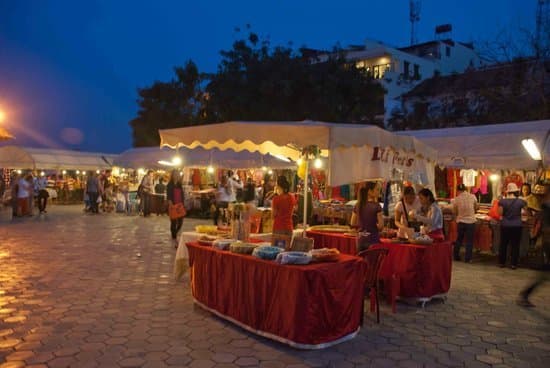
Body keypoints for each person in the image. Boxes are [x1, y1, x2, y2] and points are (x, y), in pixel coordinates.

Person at [517, 184, 550, 307]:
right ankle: (525, 294)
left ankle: (525, 294)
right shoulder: (547, 208)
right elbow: (545, 228)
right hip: (548, 243)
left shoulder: (545, 208)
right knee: (543, 274)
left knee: (544, 274)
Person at [498, 182, 527, 269]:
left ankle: (502, 263)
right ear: (515, 191)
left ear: (508, 191)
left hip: (505, 225)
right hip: (517, 225)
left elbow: (500, 213)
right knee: (515, 245)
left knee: (503, 244)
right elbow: (526, 212)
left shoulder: (502, 201)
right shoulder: (521, 202)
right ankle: (513, 264)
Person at [452, 184, 479, 262]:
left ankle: (456, 256)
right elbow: (476, 207)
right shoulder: (473, 196)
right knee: (469, 241)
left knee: (459, 239)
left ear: (458, 190)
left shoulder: (456, 199)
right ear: (465, 189)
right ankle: (468, 258)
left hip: (461, 221)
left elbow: (454, 211)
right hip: (471, 221)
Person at [354, 182, 383, 252]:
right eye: (377, 190)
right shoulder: (377, 206)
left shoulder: (358, 204)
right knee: (372, 262)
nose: (379, 192)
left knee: (362, 261)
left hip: (360, 240)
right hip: (373, 239)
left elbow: (352, 223)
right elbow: (381, 226)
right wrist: (374, 225)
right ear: (369, 191)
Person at [271, 176, 296, 242]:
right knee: (286, 250)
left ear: (278, 186)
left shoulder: (276, 199)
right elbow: (293, 210)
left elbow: (273, 215)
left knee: (277, 250)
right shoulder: (292, 197)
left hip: (278, 227)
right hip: (289, 226)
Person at [167, 169, 185, 248]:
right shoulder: (170, 184)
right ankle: (173, 235)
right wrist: (170, 202)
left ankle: (176, 232)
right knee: (173, 221)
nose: (176, 175)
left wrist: (183, 203)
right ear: (172, 175)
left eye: (177, 174)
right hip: (172, 203)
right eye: (175, 174)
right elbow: (168, 194)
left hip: (180, 204)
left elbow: (182, 194)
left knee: (180, 221)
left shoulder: (179, 184)